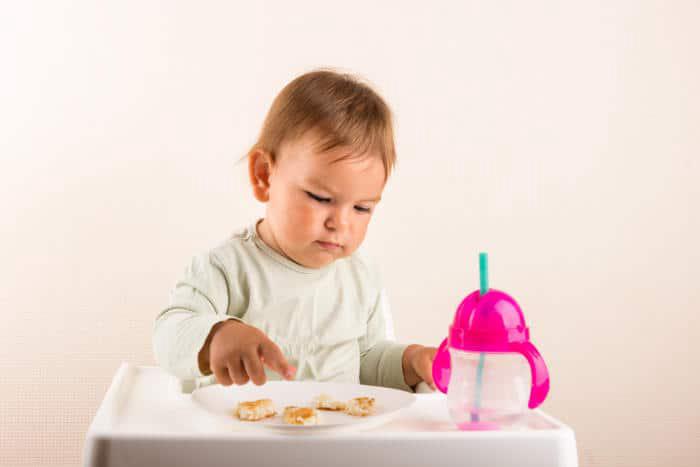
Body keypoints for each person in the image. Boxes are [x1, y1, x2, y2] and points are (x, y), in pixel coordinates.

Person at [153, 69, 437, 393]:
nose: (341, 223)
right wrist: (217, 335)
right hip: (241, 439)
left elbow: (367, 362)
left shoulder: (360, 276)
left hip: (332, 441)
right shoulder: (226, 269)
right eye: (320, 198)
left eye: (362, 208)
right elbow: (168, 334)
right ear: (264, 176)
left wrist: (412, 362)